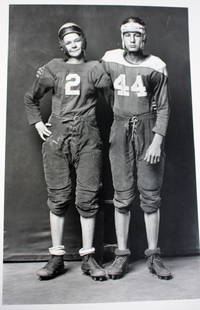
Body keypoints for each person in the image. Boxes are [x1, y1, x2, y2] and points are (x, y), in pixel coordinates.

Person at [24, 22, 111, 281]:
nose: (73, 44)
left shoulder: (96, 67)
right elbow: (31, 97)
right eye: (68, 41)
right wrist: (38, 122)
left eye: (77, 39)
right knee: (59, 196)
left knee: (87, 197)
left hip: (88, 136)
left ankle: (88, 256)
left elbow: (113, 99)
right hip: (58, 136)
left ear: (83, 41)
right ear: (62, 45)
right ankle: (57, 257)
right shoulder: (53, 67)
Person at [101, 16, 173, 280]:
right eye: (128, 35)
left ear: (145, 38)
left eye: (137, 35)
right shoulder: (109, 60)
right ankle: (122, 256)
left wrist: (157, 138)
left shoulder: (156, 66)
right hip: (120, 129)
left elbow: (164, 106)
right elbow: (96, 85)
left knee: (151, 194)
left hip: (147, 127)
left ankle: (153, 256)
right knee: (122, 194)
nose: (132, 39)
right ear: (122, 37)